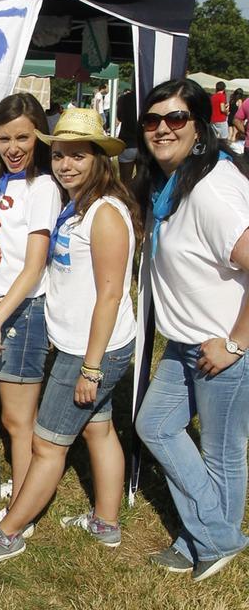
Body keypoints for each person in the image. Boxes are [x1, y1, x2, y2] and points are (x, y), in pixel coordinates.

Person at [0, 107, 139, 563]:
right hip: (83, 345)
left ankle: (10, 533)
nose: (66, 164)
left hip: (92, 350)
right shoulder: (79, 207)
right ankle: (106, 524)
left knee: (47, 443)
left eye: (77, 155)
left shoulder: (106, 214)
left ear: (99, 158)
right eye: (59, 156)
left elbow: (111, 296)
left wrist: (91, 367)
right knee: (98, 430)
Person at [133, 78, 249, 582]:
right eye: (153, 119)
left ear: (200, 127)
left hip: (223, 346)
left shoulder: (211, 192)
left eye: (175, 118)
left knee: (221, 453)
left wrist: (236, 343)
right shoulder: (171, 186)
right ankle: (212, 534)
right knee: (154, 425)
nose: (162, 128)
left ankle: (211, 538)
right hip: (184, 344)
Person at [0, 94, 62, 512]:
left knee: (17, 420)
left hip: (18, 311)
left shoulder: (43, 187)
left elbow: (33, 267)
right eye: (4, 138)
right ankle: (19, 482)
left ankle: (24, 510)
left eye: (23, 138)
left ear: (39, 138)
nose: (13, 147)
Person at [116, 84, 139, 181]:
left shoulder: (123, 99)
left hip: (127, 142)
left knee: (125, 181)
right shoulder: (147, 97)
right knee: (144, 181)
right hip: (142, 143)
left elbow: (119, 117)